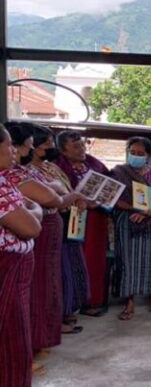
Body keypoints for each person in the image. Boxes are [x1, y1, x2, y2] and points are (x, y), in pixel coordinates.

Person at [4, 122, 86, 373]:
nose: (20, 152)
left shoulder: (24, 172)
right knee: (23, 300)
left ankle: (36, 343)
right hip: (16, 250)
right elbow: (49, 202)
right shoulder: (11, 177)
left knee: (41, 288)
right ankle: (22, 356)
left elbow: (55, 193)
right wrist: (40, 207)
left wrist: (42, 203)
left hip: (33, 242)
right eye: (24, 146)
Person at [28, 126, 89, 332]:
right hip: (45, 227)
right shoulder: (27, 172)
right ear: (33, 147)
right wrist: (74, 198)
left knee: (64, 270)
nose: (51, 147)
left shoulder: (50, 167)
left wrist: (77, 199)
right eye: (47, 144)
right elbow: (54, 199)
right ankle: (52, 321)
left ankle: (65, 312)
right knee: (51, 275)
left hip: (66, 223)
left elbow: (67, 190)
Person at [0, 124, 43, 387]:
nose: (13, 151)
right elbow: (30, 228)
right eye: (8, 145)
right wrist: (36, 209)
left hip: (13, 268)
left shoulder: (5, 180)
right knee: (10, 339)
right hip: (8, 268)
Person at [111, 137, 151, 321]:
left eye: (140, 153)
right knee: (127, 262)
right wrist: (134, 209)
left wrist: (147, 212)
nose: (135, 156)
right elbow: (114, 198)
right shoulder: (118, 172)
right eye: (132, 152)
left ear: (149, 155)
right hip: (127, 222)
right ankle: (129, 303)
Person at [55, 131, 111, 317]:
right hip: (71, 218)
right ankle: (71, 305)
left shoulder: (94, 164)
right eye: (75, 146)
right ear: (63, 150)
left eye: (82, 145)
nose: (81, 150)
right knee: (71, 260)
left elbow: (110, 184)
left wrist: (100, 201)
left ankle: (93, 301)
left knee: (95, 259)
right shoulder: (57, 168)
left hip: (96, 219)